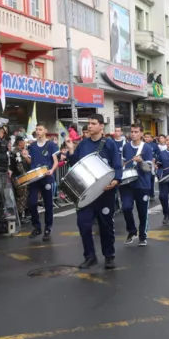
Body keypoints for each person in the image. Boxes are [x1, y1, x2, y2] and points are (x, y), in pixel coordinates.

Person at [60, 114, 122, 269]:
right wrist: (70, 149)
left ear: (102, 126)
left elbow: (117, 165)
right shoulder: (83, 144)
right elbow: (75, 164)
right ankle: (90, 256)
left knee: (106, 225)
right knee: (84, 224)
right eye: (89, 123)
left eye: (93, 123)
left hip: (105, 192)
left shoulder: (109, 144)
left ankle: (109, 256)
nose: (90, 126)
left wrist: (116, 180)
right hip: (86, 192)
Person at [21, 123, 59, 241]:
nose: (37, 131)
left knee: (48, 205)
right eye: (36, 129)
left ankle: (48, 228)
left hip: (47, 178)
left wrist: (52, 170)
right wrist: (26, 156)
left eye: (40, 129)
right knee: (32, 202)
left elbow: (55, 161)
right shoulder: (32, 146)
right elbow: (29, 162)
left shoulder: (51, 145)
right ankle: (37, 227)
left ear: (45, 130)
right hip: (34, 178)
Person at [120, 124, 155, 246]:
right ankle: (132, 231)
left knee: (142, 212)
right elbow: (123, 163)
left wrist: (141, 161)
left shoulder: (147, 148)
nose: (133, 134)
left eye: (136, 132)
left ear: (141, 134)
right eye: (132, 131)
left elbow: (148, 168)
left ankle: (142, 236)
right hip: (127, 184)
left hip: (142, 184)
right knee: (126, 208)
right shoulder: (125, 147)